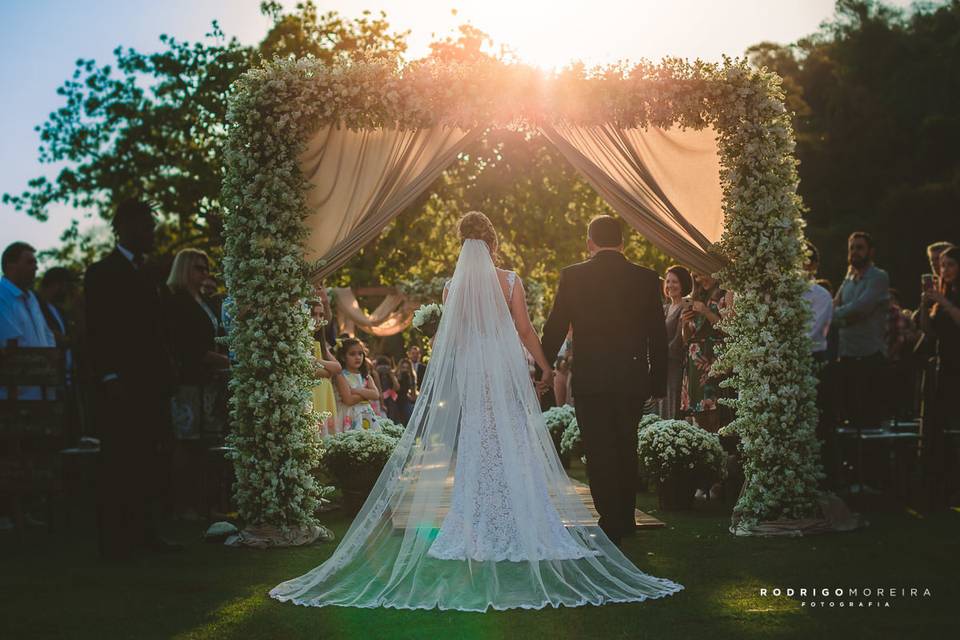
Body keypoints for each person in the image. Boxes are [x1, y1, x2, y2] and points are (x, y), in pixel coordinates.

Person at [271, 211, 681, 612]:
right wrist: (544, 365)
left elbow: (455, 337)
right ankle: (553, 519)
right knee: (520, 437)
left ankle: (477, 521)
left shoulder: (453, 288)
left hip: (474, 370)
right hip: (510, 368)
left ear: (463, 245)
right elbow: (525, 330)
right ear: (492, 243)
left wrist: (533, 363)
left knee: (480, 437)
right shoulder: (510, 281)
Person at [541, 215, 668, 546]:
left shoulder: (574, 276)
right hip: (632, 376)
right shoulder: (646, 278)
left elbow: (555, 326)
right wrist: (657, 381)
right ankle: (624, 517)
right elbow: (658, 336)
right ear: (623, 243)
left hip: (591, 377)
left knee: (598, 451)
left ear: (589, 242)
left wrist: (542, 365)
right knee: (626, 445)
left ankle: (610, 518)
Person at [84, 199, 179, 559]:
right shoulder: (101, 272)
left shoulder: (151, 273)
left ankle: (147, 533)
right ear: (125, 227)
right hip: (121, 383)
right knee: (120, 460)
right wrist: (109, 375)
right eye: (147, 227)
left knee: (150, 461)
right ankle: (115, 540)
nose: (152, 233)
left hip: (152, 383)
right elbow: (97, 331)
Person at [833, 231, 890, 429]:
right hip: (847, 354)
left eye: (859, 247)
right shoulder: (848, 278)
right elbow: (835, 306)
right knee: (849, 415)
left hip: (870, 355)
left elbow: (861, 307)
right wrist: (844, 317)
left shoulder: (879, 277)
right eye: (852, 248)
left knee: (870, 418)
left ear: (870, 252)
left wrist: (839, 315)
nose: (854, 252)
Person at [919, 246, 960, 507]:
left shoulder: (952, 297)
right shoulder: (942, 295)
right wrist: (925, 305)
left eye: (949, 265)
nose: (943, 270)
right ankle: (940, 486)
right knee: (941, 426)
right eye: (941, 265)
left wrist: (944, 303)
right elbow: (927, 331)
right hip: (943, 364)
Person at [0, 242, 56, 398]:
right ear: (10, 265)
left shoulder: (32, 298)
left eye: (36, 263)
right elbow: (10, 343)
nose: (36, 268)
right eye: (30, 262)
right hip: (17, 396)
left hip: (45, 390)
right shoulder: (1, 295)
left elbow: (48, 335)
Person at [679, 270, 728, 421]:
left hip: (712, 357)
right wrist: (685, 323)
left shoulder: (723, 295)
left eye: (703, 274)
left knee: (714, 411)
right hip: (695, 360)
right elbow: (686, 338)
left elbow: (727, 328)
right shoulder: (695, 297)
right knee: (698, 414)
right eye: (696, 277)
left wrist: (706, 311)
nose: (700, 279)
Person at [660, 265, 692, 419]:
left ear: (684, 284)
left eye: (675, 282)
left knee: (674, 404)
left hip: (676, 364)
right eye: (668, 281)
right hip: (663, 365)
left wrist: (660, 354)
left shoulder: (686, 306)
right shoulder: (665, 308)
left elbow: (680, 339)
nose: (670, 285)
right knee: (663, 404)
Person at [332, 338, 382, 431]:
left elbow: (376, 395)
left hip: (366, 415)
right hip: (348, 416)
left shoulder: (365, 376)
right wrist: (367, 395)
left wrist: (357, 391)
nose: (358, 357)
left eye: (360, 353)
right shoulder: (340, 375)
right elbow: (348, 400)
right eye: (352, 354)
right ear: (343, 357)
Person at [395, 357, 417, 424]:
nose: (405, 370)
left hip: (405, 401)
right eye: (403, 367)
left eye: (407, 368)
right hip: (395, 401)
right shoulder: (396, 376)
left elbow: (413, 395)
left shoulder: (410, 377)